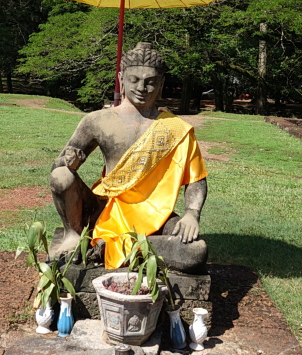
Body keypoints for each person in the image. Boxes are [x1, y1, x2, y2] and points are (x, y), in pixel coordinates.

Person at [50, 42, 208, 269]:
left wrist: (192, 214)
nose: (142, 87)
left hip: (155, 215)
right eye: (134, 80)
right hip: (103, 209)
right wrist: (70, 164)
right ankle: (74, 236)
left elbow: (197, 180)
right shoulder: (97, 121)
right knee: (61, 177)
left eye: (150, 82)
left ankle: (110, 247)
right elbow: (58, 168)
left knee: (196, 251)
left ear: (161, 84)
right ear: (121, 78)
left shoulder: (175, 129)